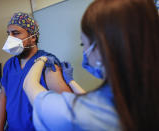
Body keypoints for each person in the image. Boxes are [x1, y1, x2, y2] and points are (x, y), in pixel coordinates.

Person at [23, 0, 159, 130]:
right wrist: (71, 82)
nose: (84, 52)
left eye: (83, 44)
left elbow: (30, 87)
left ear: (101, 47)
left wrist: (41, 60)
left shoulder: (80, 115)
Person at [0, 12, 72, 131]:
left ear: (33, 37)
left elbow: (69, 105)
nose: (10, 38)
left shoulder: (47, 64)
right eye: (8, 34)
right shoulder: (9, 65)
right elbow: (4, 96)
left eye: (15, 33)